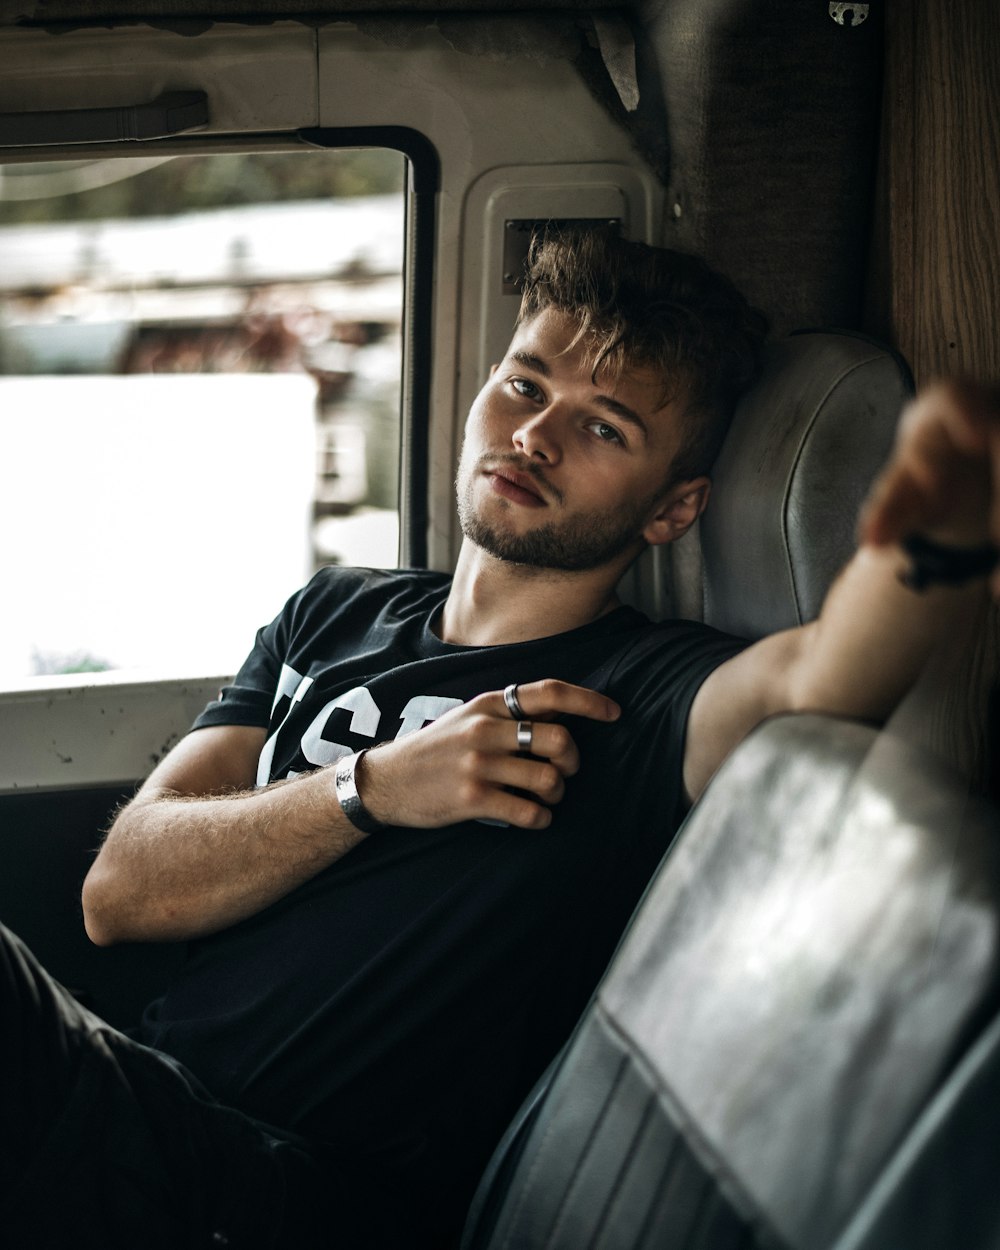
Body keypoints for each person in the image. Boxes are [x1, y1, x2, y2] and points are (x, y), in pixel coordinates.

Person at [3, 231, 996, 1250]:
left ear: (675, 508)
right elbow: (119, 892)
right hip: (136, 1103)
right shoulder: (333, 611)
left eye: (603, 427)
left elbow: (825, 670)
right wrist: (374, 786)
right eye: (524, 386)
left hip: (291, 1195)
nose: (535, 436)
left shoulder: (640, 692)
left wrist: (949, 514)